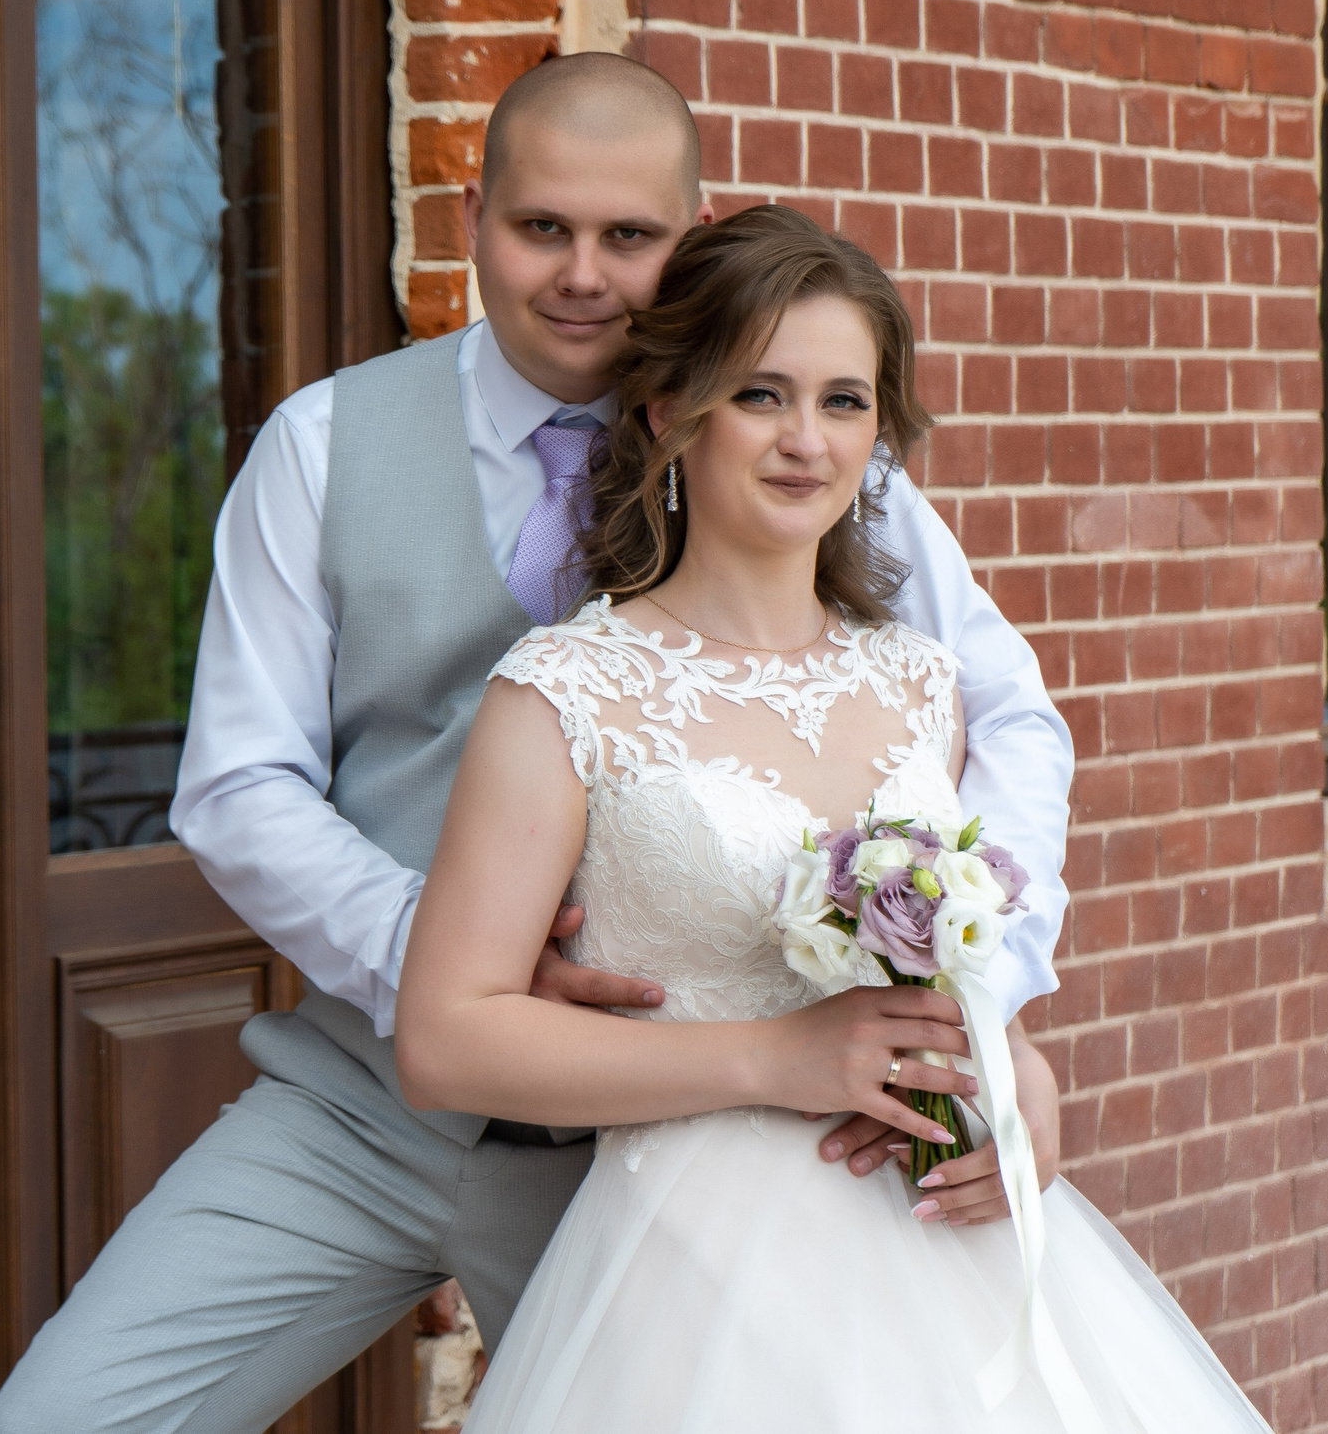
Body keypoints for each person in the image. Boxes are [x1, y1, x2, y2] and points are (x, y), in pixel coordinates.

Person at [0, 55, 1078, 1434]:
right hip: (370, 1099)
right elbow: (237, 784)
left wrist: (985, 1012)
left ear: (688, 237)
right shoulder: (322, 447)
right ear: (471, 217)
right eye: (541, 227)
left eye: (630, 236)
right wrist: (456, 958)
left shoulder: (818, 457)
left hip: (679, 1143)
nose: (583, 275)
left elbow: (999, 719)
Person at [397, 204, 1271, 1431]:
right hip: (696, 1276)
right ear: (669, 409)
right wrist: (771, 1060)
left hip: (942, 1248)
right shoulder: (563, 694)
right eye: (760, 394)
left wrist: (1011, 1061)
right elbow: (445, 1041)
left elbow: (941, 957)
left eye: (845, 401)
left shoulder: (916, 679)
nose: (807, 440)